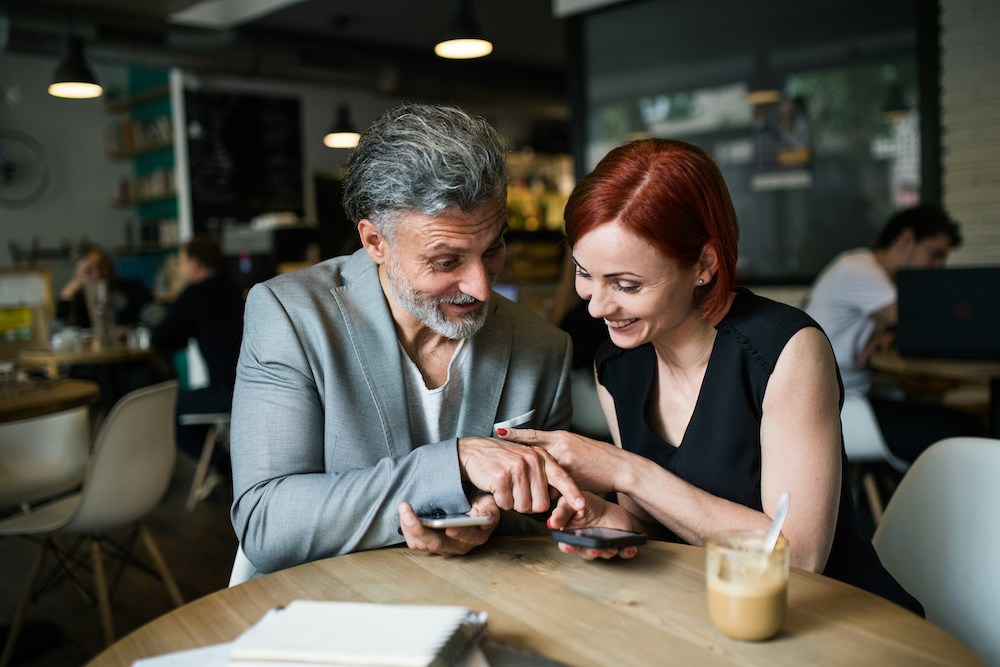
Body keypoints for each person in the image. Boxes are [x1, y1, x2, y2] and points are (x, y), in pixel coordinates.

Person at [497, 138, 923, 615]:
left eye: (626, 285)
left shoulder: (786, 351)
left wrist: (627, 471)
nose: (596, 306)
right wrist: (604, 517)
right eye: (584, 274)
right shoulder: (616, 364)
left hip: (834, 619)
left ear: (704, 265)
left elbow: (799, 560)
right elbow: (660, 530)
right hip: (709, 614)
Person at [230, 103, 584, 575]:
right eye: (446, 261)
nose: (482, 287)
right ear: (375, 242)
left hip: (489, 601)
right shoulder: (290, 315)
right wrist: (452, 465)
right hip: (323, 607)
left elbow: (550, 519)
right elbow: (267, 522)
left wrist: (490, 516)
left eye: (494, 247)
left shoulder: (544, 347)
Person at [804, 204, 982, 461]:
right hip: (842, 414)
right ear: (907, 240)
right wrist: (898, 327)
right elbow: (925, 323)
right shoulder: (859, 269)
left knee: (961, 421)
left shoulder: (874, 276)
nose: (939, 266)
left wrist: (888, 332)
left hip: (852, 402)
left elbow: (904, 324)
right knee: (962, 430)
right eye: (935, 254)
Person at [151, 235, 244, 487]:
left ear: (195, 264)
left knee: (164, 407)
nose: (180, 267)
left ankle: (225, 466)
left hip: (227, 391)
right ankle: (225, 465)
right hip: (249, 387)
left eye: (181, 260)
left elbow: (161, 338)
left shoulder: (195, 294)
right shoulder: (231, 288)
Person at [56, 242, 152, 329]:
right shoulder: (74, 301)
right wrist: (66, 297)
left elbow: (155, 317)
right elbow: (56, 333)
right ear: (76, 276)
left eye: (101, 266)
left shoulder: (132, 289)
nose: (98, 274)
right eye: (88, 271)